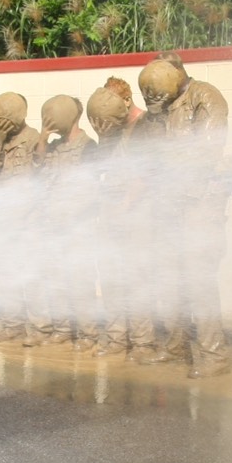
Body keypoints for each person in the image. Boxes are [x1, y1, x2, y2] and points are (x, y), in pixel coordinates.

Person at [137, 55, 232, 378]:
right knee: (170, 277)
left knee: (198, 279)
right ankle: (176, 345)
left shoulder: (204, 96)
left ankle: (213, 354)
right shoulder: (160, 107)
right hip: (168, 205)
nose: (155, 103)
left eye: (158, 96)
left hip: (199, 204)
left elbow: (206, 150)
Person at [86, 85, 158, 359]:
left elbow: (147, 172)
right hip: (111, 210)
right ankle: (116, 337)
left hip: (138, 211)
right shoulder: (111, 129)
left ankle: (142, 343)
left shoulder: (144, 126)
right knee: (111, 275)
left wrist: (125, 205)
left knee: (137, 278)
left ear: (126, 101)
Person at [25, 94, 99, 347]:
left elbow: (92, 190)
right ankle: (63, 328)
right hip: (52, 226)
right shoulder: (54, 147)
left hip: (78, 228)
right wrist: (43, 140)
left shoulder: (89, 148)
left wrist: (71, 214)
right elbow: (38, 175)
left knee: (80, 282)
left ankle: (88, 333)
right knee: (55, 279)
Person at [0, 91, 41, 342]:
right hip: (6, 219)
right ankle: (12, 323)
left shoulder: (34, 139)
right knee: (6, 270)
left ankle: (38, 326)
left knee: (31, 272)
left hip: (29, 219)